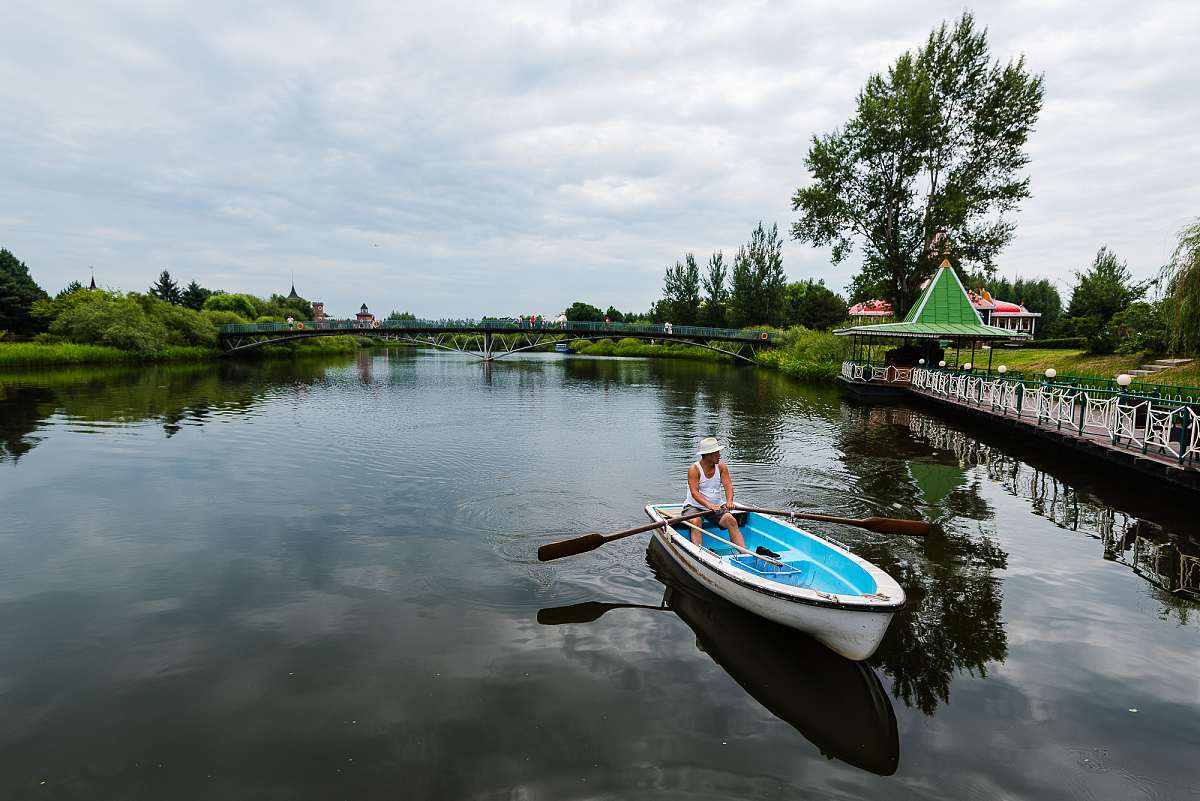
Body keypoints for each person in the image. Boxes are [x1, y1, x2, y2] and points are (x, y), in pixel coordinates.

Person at [680, 437, 746, 550]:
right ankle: (699, 554)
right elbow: (694, 493)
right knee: (695, 522)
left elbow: (728, 486)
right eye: (717, 453)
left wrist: (729, 501)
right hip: (694, 507)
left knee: (732, 521)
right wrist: (709, 505)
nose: (719, 455)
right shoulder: (694, 469)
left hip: (716, 506)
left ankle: (746, 555)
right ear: (707, 455)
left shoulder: (721, 467)